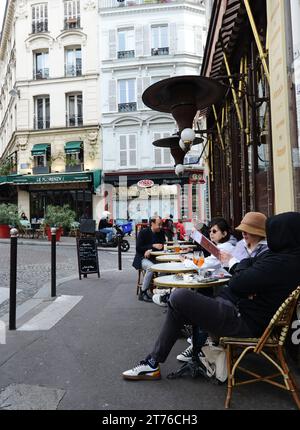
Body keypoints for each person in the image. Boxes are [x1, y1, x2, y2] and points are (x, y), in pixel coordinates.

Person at [122, 211, 300, 380]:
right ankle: (154, 361)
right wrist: (245, 274)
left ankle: (169, 353)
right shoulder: (286, 259)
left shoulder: (279, 262)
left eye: (273, 232)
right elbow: (242, 280)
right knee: (180, 304)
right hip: (240, 311)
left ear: (283, 235)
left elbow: (238, 283)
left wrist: (241, 265)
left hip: (243, 320)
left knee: (179, 297)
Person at [132, 216, 166, 302]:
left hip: (155, 257)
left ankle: (160, 290)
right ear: (152, 223)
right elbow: (138, 248)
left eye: (161, 224)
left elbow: (161, 246)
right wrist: (152, 246)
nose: (161, 227)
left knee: (166, 266)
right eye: (159, 224)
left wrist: (150, 249)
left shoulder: (161, 232)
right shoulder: (143, 232)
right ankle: (143, 292)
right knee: (151, 267)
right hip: (142, 258)